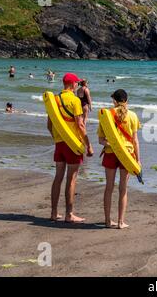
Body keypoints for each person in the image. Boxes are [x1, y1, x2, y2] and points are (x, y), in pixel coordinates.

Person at [47, 73, 94, 223]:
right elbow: (80, 125)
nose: (77, 85)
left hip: (59, 143)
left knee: (58, 177)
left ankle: (54, 213)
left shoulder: (54, 100)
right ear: (73, 84)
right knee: (71, 179)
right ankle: (69, 214)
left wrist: (57, 138)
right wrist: (89, 145)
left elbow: (49, 124)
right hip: (73, 145)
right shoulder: (75, 100)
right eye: (76, 83)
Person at [98, 89, 141, 229]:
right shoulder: (133, 116)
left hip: (111, 153)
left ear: (114, 101)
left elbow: (101, 140)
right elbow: (135, 141)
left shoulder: (107, 115)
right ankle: (121, 222)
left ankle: (107, 221)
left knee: (108, 187)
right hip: (127, 155)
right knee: (123, 189)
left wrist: (110, 144)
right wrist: (138, 161)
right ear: (126, 101)